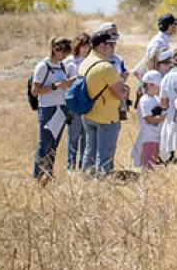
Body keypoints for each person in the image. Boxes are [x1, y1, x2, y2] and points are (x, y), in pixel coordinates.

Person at [78, 28, 128, 175]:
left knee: (90, 151)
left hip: (89, 113)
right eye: (111, 44)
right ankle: (102, 185)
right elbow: (120, 93)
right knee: (105, 154)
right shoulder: (106, 67)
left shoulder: (85, 62)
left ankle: (86, 182)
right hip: (107, 116)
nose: (113, 48)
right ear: (101, 46)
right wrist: (126, 90)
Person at [31, 37, 73, 182]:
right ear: (55, 49)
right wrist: (56, 86)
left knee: (53, 145)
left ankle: (48, 175)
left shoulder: (61, 66)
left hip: (60, 108)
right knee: (45, 145)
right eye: (63, 52)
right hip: (47, 109)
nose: (65, 56)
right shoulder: (43, 66)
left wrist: (67, 84)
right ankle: (38, 176)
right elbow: (35, 91)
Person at [64, 32, 91, 172]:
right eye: (83, 46)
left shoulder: (91, 61)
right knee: (73, 135)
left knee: (86, 136)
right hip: (73, 102)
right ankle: (70, 166)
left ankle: (83, 165)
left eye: (87, 46)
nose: (85, 49)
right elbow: (64, 82)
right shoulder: (69, 62)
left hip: (87, 102)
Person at [133, 70, 164, 170]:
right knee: (147, 169)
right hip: (148, 139)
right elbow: (148, 119)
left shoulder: (155, 98)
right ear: (150, 85)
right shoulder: (145, 100)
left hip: (155, 137)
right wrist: (164, 117)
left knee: (153, 167)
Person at [136, 13, 177, 81]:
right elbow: (154, 60)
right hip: (156, 82)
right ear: (170, 26)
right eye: (175, 24)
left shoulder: (162, 40)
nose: (176, 26)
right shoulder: (158, 42)